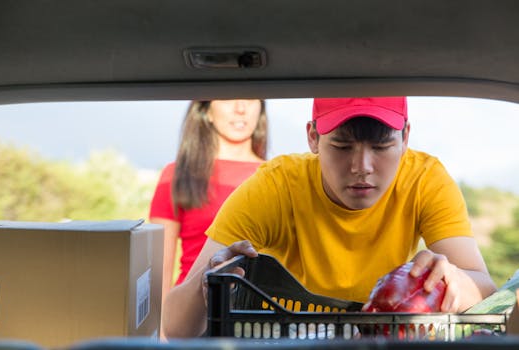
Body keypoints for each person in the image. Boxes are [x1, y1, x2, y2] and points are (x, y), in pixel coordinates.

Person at [162, 97, 497, 338]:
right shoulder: (274, 187)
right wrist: (207, 283)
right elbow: (176, 329)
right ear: (313, 138)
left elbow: (484, 288)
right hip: (288, 338)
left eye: (381, 148)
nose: (362, 167)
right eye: (342, 146)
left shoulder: (425, 180)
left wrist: (455, 281)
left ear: (405, 137)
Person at [149, 99, 268, 299]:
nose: (241, 109)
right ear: (207, 111)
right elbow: (159, 273)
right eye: (227, 99)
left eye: (250, 98)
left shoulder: (277, 177)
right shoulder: (176, 175)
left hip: (255, 315)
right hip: (190, 313)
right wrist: (162, 329)